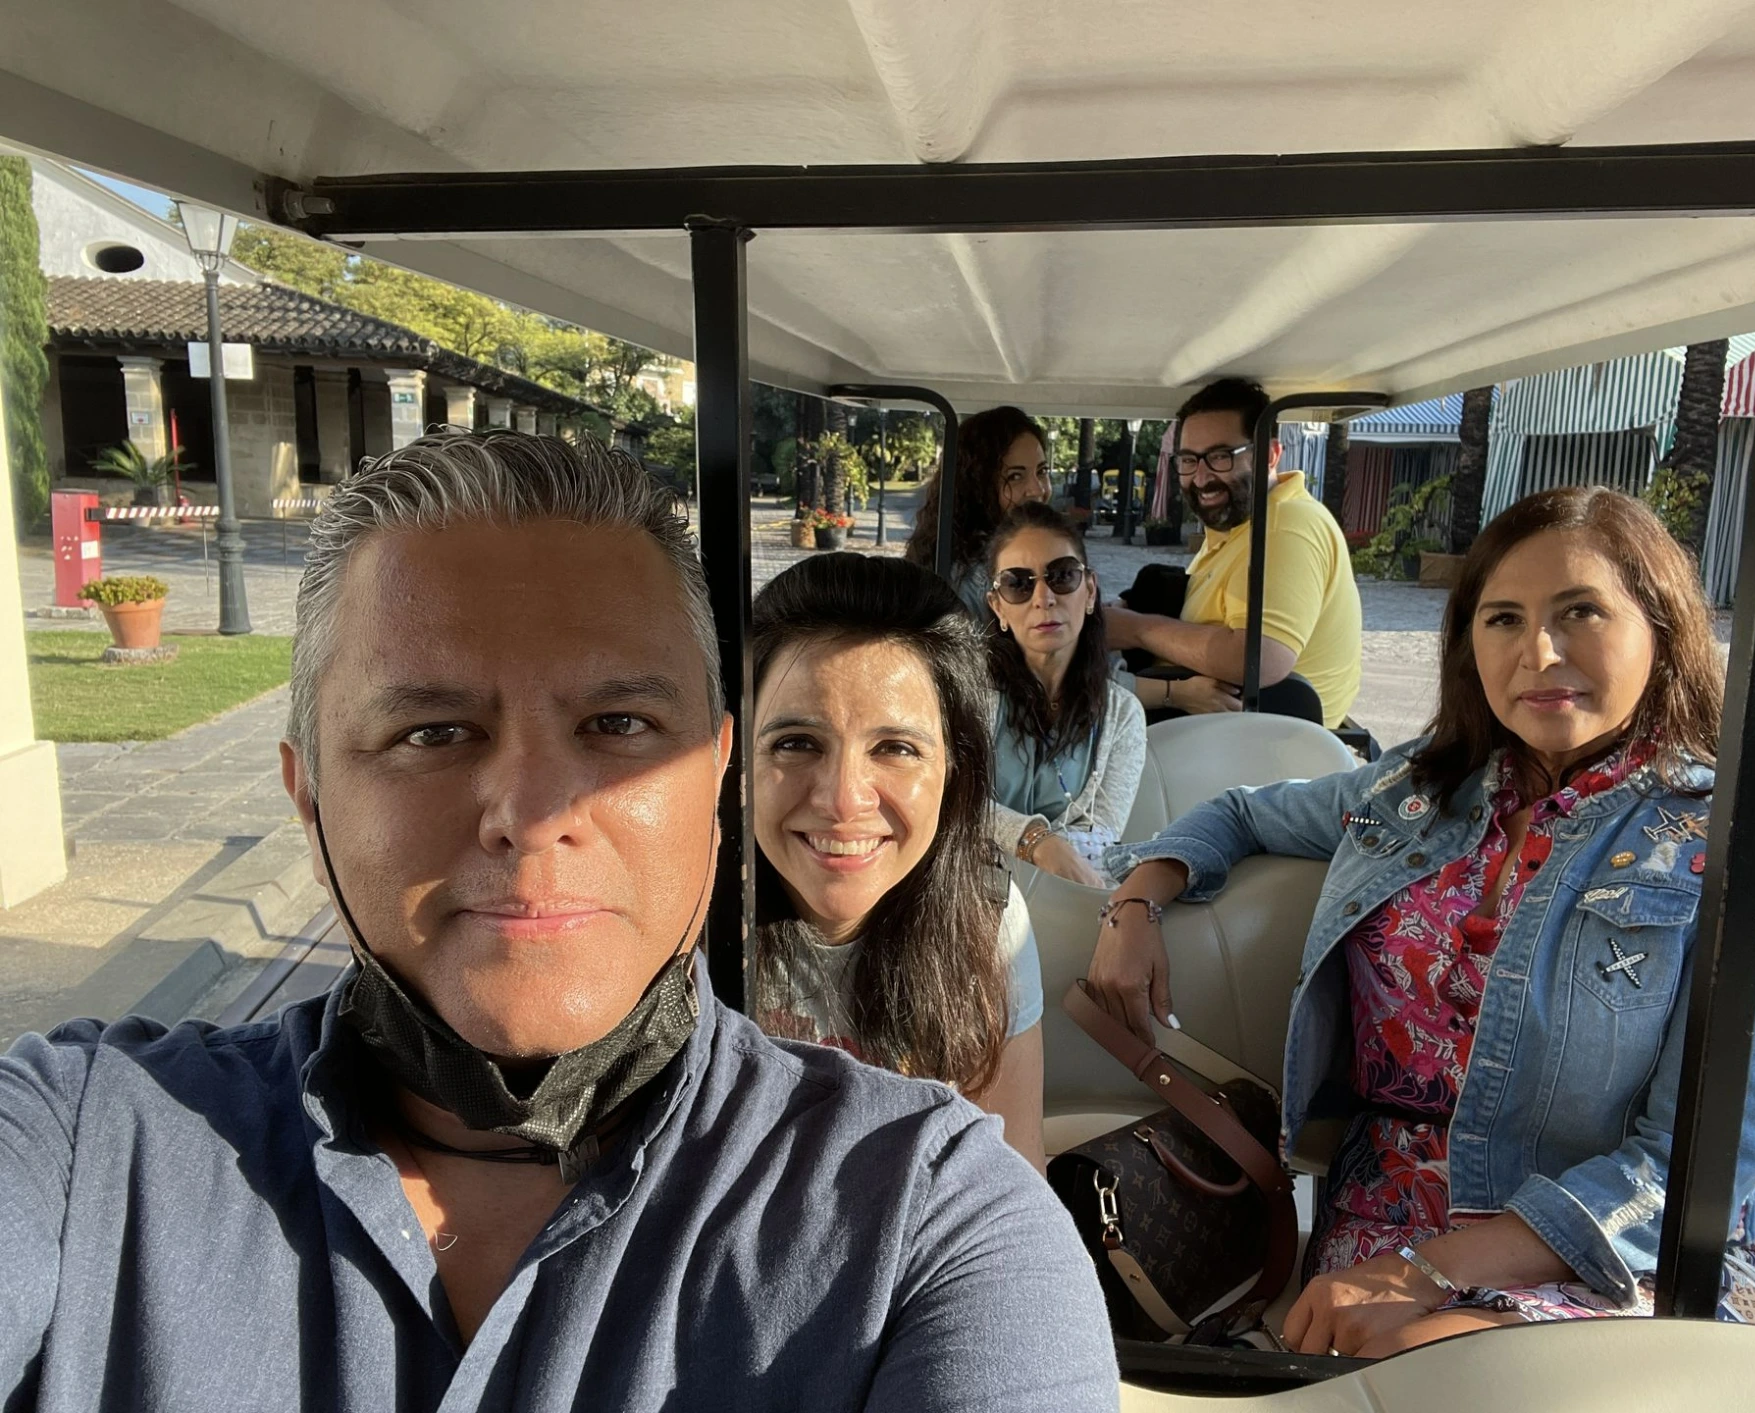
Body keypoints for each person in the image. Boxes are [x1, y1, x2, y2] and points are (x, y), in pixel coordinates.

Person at [0, 431, 1117, 1410]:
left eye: (619, 723)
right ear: (309, 797)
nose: (535, 818)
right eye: (432, 733)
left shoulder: (931, 1216)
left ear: (711, 774)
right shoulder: (83, 1143)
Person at [1087, 485, 1755, 1358]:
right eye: (1503, 619)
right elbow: (1243, 810)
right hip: (1384, 1219)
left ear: (1661, 627)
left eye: (1581, 611)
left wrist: (1429, 1274)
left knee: (1453, 1365)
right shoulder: (1418, 791)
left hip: (1615, 1255)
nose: (1539, 651)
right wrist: (1137, 902)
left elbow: (1694, 1168)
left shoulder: (1749, 853)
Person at [748, 552, 1048, 1171]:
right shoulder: (681, 918)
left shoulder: (987, 916)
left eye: (896, 748)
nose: (842, 801)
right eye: (796, 743)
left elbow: (1014, 1176)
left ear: (954, 769)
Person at [1104, 377, 1362, 728]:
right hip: (1223, 730)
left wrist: (1134, 629)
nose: (1201, 478)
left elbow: (1260, 659)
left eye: (1220, 457)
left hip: (1257, 744)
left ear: (1269, 455)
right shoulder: (1242, 524)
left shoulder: (1281, 527)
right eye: (1189, 460)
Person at [984, 502, 1147, 889]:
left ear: (1089, 591)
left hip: (1065, 896)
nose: (1043, 597)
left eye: (1061, 576)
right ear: (998, 607)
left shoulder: (1122, 713)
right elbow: (942, 800)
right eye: (1018, 583)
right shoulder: (967, 692)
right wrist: (1034, 841)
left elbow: (1100, 836)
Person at [907, 405, 1054, 615]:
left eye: (1042, 471)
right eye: (1015, 476)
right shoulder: (983, 574)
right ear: (978, 487)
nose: (1037, 489)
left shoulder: (955, 551)